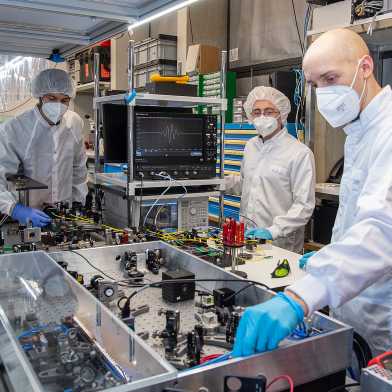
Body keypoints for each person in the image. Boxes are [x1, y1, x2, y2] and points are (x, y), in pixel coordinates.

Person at [233, 28, 392, 359]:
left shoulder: (387, 130)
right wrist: (329, 256)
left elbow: (382, 229)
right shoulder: (360, 131)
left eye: (331, 77)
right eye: (316, 84)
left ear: (365, 67)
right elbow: (355, 218)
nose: (325, 92)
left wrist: (299, 297)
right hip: (350, 300)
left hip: (382, 308)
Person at [225, 86, 316, 253]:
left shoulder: (299, 153)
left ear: (281, 114)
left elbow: (303, 206)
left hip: (280, 243)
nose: (262, 117)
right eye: (257, 112)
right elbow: (247, 183)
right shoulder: (251, 146)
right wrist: (217, 183)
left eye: (268, 112)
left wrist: (273, 230)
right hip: (247, 237)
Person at [0, 68, 87, 227]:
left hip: (63, 215)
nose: (58, 105)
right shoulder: (15, 128)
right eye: (52, 98)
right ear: (40, 97)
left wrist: (78, 203)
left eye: (64, 100)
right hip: (25, 215)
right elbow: (1, 175)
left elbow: (78, 169)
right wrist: (15, 209)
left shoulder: (74, 123)